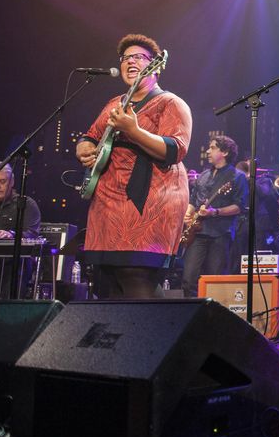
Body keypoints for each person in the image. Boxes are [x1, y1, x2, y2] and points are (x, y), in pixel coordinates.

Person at [76, 34, 192, 299]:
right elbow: (89, 136)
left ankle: (157, 338)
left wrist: (134, 131)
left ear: (156, 66)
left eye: (138, 57)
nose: (130, 62)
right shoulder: (114, 104)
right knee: (110, 281)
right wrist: (83, 148)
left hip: (148, 198)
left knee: (137, 274)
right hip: (107, 203)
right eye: (126, 58)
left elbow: (176, 149)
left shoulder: (171, 103)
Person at [182, 135, 248, 297]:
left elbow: (239, 207)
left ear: (224, 152)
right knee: (188, 279)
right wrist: (188, 213)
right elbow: (193, 199)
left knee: (215, 279)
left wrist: (215, 212)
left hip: (220, 234)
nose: (208, 151)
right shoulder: (203, 175)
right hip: (197, 232)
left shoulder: (236, 177)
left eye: (213, 148)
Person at [0, 161, 42, 239]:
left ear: (12, 182)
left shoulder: (26, 204)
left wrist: (12, 235)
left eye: (2, 181)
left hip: (11, 251)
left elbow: (32, 234)